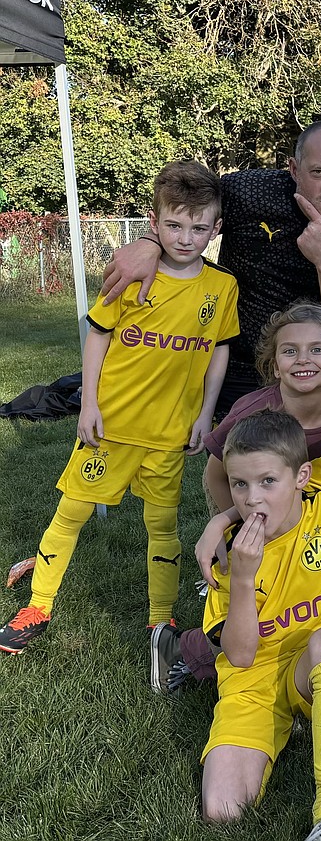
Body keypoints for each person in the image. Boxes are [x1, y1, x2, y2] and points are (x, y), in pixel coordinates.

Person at [0, 161, 238, 654]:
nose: (186, 237)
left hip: (170, 435)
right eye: (174, 225)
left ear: (215, 229)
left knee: (162, 528)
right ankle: (38, 606)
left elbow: (219, 351)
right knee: (71, 513)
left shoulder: (222, 288)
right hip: (111, 427)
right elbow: (98, 337)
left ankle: (160, 622)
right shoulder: (132, 276)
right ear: (153, 224)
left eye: (199, 227)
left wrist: (204, 414)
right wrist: (88, 404)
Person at [101, 120, 321, 415]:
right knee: (241, 458)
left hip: (315, 369)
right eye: (319, 172)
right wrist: (150, 242)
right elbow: (182, 202)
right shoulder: (249, 192)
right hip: (236, 364)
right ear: (293, 169)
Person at [151, 302, 321, 694]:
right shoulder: (253, 412)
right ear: (274, 363)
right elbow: (217, 474)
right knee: (251, 603)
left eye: (318, 349)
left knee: (299, 599)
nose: (303, 359)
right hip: (251, 516)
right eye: (289, 351)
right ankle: (186, 650)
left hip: (314, 521)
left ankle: (307, 670)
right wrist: (226, 522)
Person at [200, 410, 321, 841]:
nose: (252, 499)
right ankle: (295, 722)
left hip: (311, 662)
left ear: (301, 477)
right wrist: (242, 576)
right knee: (222, 810)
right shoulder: (227, 556)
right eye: (240, 484)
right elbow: (239, 655)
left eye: (268, 481)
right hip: (251, 681)